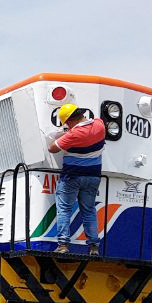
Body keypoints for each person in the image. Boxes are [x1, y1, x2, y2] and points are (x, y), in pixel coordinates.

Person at [48, 103, 105, 256]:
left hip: (72, 177)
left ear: (69, 121)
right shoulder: (100, 125)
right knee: (89, 210)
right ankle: (94, 247)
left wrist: (65, 133)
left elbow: (52, 148)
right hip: (93, 177)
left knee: (64, 209)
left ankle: (63, 245)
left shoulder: (73, 135)